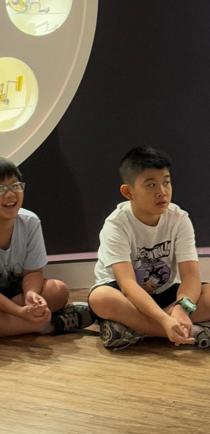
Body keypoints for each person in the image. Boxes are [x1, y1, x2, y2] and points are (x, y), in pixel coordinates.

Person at [88, 145, 210, 350]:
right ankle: (190, 332)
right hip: (125, 295)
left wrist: (182, 309)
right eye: (151, 185)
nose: (162, 192)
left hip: (163, 293)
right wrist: (164, 320)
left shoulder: (179, 219)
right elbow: (127, 284)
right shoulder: (116, 225)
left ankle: (132, 330)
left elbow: (190, 276)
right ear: (128, 192)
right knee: (101, 298)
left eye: (166, 182)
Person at [0, 157, 92, 337]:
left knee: (58, 290)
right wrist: (18, 311)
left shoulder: (30, 222)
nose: (10, 194)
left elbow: (33, 272)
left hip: (16, 294)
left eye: (15, 186)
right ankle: (49, 326)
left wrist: (31, 295)